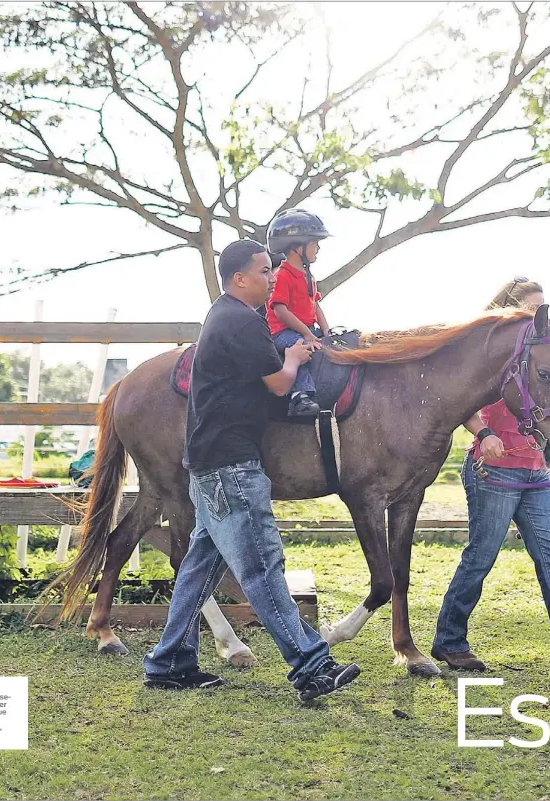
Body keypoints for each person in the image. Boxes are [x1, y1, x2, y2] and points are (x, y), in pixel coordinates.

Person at [143, 239, 360, 701]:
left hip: (208, 462)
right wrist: (296, 358)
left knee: (200, 567)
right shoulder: (243, 323)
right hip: (231, 465)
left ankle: (169, 663)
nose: (271, 279)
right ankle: (312, 666)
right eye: (264, 271)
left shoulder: (222, 315)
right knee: (262, 566)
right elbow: (281, 385)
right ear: (239, 278)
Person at [432, 278, 550, 677]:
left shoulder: (541, 358)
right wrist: (484, 434)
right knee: (480, 559)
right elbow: (462, 404)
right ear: (510, 311)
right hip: (494, 472)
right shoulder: (489, 356)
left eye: (542, 310)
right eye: (531, 310)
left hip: (535, 472)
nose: (539, 319)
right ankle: (450, 641)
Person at [266, 208, 332, 417]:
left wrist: (327, 331)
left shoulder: (307, 276)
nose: (318, 248)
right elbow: (280, 311)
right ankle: (300, 397)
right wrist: (307, 334)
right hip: (282, 332)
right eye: (314, 243)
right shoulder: (282, 275)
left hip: (305, 329)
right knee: (301, 349)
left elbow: (316, 305)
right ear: (297, 248)